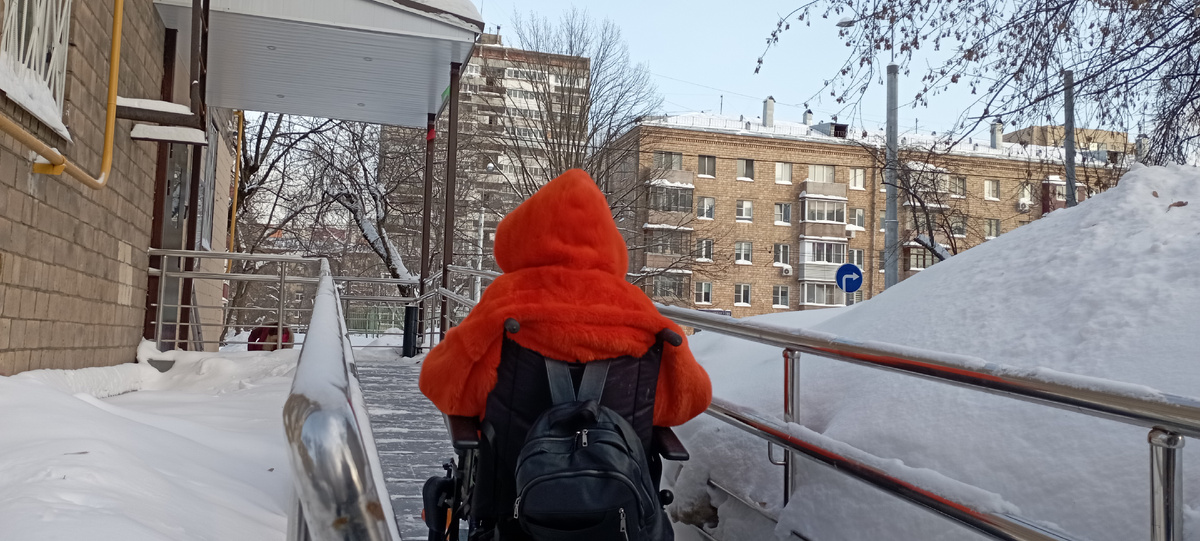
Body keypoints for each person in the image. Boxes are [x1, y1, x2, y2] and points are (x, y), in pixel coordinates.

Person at [419, 168, 711, 429]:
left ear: (523, 234)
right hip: (613, 483)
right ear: (609, 241)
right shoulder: (637, 306)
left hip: (511, 481)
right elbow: (686, 402)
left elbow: (446, 388)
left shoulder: (506, 297)